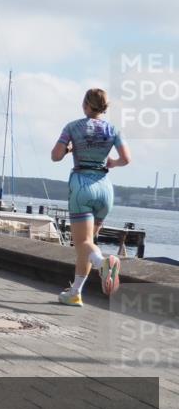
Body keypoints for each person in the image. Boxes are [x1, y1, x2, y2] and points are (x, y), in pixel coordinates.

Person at [50, 88, 131, 306]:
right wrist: (113, 162)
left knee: (83, 242)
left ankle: (102, 264)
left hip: (82, 187)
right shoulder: (113, 129)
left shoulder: (72, 127)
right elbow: (126, 159)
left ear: (86, 104)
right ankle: (75, 292)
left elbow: (55, 156)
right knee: (86, 244)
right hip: (105, 189)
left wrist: (69, 150)